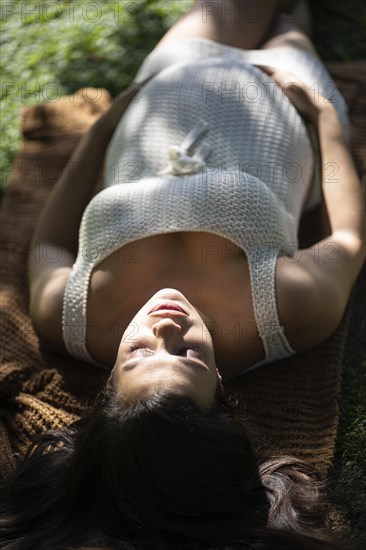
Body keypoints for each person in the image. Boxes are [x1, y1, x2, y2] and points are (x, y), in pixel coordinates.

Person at [0, 1, 364, 548]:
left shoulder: (73, 317)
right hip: (283, 99)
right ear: (220, 385)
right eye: (187, 357)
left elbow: (49, 242)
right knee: (289, 19)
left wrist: (102, 130)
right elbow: (348, 240)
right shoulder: (281, 313)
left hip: (171, 79)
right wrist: (325, 118)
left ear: (105, 386)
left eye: (140, 354)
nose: (164, 328)